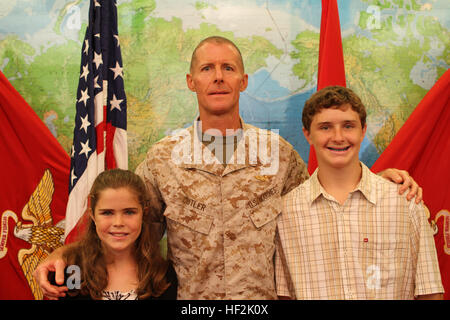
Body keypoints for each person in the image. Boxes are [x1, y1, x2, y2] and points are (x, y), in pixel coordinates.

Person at [34, 36, 422, 300]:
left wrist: (376, 180)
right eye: (206, 69)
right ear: (191, 81)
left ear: (243, 80)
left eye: (227, 68)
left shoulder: (280, 154)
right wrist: (66, 256)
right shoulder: (161, 159)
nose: (217, 76)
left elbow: (319, 203)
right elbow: (127, 235)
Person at [275, 86, 444, 300]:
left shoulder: (405, 203)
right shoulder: (286, 213)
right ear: (307, 134)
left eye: (348, 126)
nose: (338, 137)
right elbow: (284, 296)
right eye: (325, 127)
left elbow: (430, 292)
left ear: (363, 130)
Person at [48, 169, 177, 300]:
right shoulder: (72, 272)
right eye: (107, 213)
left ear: (144, 213)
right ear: (93, 215)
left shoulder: (161, 275)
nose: (118, 222)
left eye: (129, 212)